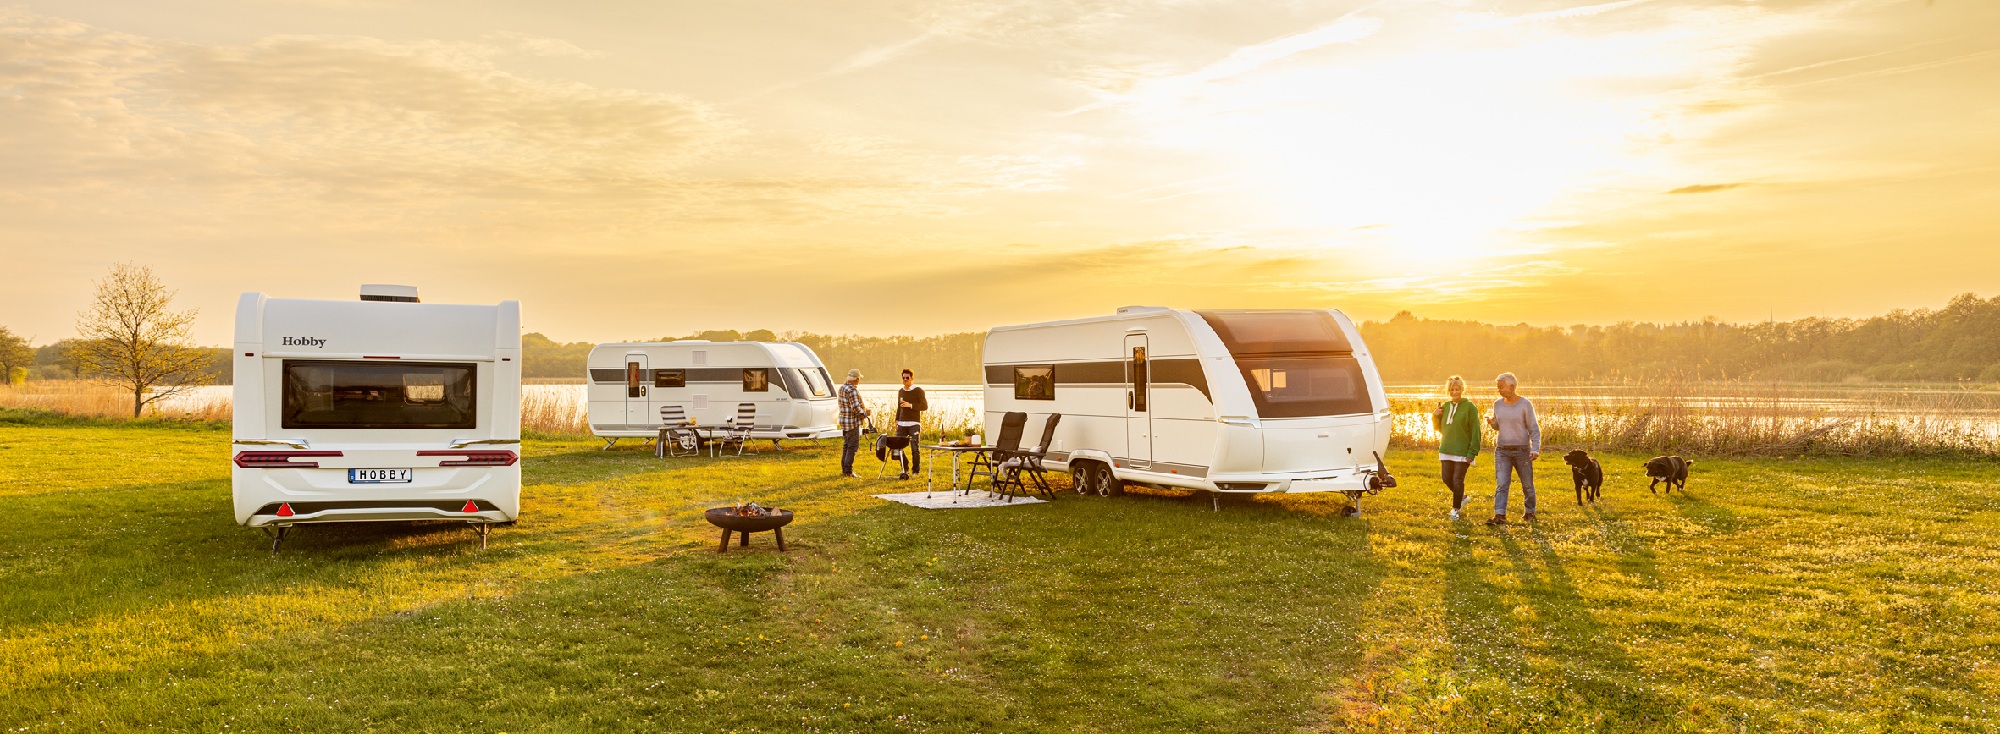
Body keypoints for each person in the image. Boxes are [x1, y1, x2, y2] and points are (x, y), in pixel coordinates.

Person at [1485, 372, 1540, 525]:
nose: (1499, 389)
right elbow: (1499, 426)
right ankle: (1500, 515)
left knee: (1527, 485)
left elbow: (1534, 429)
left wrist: (1535, 448)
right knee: (1502, 484)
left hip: (1522, 451)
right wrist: (1493, 423)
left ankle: (1530, 512)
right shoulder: (1497, 404)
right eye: (1498, 387)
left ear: (1512, 386)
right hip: (1502, 451)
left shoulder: (1525, 404)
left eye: (1501, 387)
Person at [1431, 375, 1481, 521]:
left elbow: (1476, 431)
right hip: (1446, 448)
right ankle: (1462, 497)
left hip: (1462, 451)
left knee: (1457, 480)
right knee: (1446, 478)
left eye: (1457, 389)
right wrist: (1435, 416)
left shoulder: (1470, 407)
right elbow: (1440, 428)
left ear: (1462, 389)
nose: (1455, 392)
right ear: (1449, 391)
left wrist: (1472, 452)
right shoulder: (1445, 407)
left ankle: (1455, 509)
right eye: (1452, 389)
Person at [894, 368, 928, 480]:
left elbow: (924, 406)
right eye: (903, 378)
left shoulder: (918, 391)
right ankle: (905, 467)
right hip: (902, 423)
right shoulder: (901, 391)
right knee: (897, 447)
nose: (905, 380)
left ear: (912, 378)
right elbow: (899, 407)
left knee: (914, 448)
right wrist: (896, 420)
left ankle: (915, 471)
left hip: (914, 423)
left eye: (907, 378)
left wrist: (911, 405)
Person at [837, 368, 869, 478]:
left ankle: (844, 469)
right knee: (852, 447)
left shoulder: (842, 388)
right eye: (859, 379)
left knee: (846, 446)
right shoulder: (852, 390)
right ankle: (848, 471)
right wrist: (865, 414)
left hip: (844, 422)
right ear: (856, 379)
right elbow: (856, 408)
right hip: (852, 423)